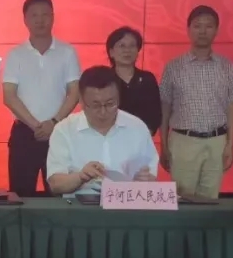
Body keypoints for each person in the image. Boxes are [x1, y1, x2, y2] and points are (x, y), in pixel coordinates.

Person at [2, 0, 81, 196]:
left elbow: (74, 92)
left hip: (59, 131)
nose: (40, 20)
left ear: (53, 17)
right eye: (34, 15)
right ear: (25, 20)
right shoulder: (16, 54)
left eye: (45, 14)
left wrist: (53, 122)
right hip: (24, 133)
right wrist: (36, 125)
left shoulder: (67, 52)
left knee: (59, 194)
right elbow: (9, 96)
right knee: (20, 194)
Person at [159, 5, 233, 199]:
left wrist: (230, 144)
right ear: (188, 30)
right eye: (197, 26)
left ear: (216, 30)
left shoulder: (227, 66)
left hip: (217, 141)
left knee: (210, 200)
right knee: (182, 199)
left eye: (208, 26)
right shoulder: (173, 67)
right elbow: (165, 108)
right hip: (183, 141)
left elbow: (231, 107)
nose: (203, 31)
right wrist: (163, 145)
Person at [47, 66, 159, 194]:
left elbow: (151, 176)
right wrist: (80, 177)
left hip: (126, 202)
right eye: (95, 105)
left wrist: (145, 181)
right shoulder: (64, 130)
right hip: (79, 204)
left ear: (119, 98)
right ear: (81, 101)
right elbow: (55, 184)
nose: (103, 112)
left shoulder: (137, 128)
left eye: (110, 104)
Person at [106, 26, 161, 135]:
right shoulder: (104, 79)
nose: (127, 50)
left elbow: (155, 114)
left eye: (132, 46)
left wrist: (141, 136)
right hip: (109, 137)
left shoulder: (147, 79)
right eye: (122, 46)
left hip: (141, 137)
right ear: (111, 52)